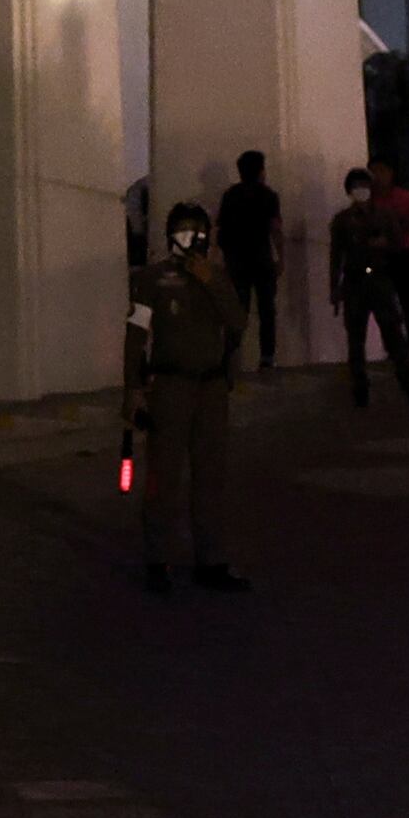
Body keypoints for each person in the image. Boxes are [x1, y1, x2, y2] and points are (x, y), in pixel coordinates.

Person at [124, 200, 251, 594]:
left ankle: (210, 561)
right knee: (164, 475)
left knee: (211, 477)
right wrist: (132, 388)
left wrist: (210, 280)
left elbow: (237, 322)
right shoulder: (152, 278)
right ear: (169, 235)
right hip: (170, 386)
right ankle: (157, 560)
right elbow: (136, 337)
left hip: (211, 387)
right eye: (183, 230)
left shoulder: (217, 277)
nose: (191, 238)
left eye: (198, 231)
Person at [339, 163, 409, 407]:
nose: (360, 191)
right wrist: (335, 287)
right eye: (356, 187)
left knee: (394, 335)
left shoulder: (384, 214)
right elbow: (336, 256)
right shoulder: (342, 221)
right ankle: (360, 391)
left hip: (380, 278)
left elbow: (398, 242)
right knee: (356, 341)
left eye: (363, 186)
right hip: (355, 281)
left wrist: (384, 244)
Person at [215, 150, 285, 371]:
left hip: (237, 261)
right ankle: (267, 358)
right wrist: (280, 258)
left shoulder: (230, 195)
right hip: (262, 259)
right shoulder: (268, 196)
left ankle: (228, 356)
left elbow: (221, 231)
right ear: (261, 170)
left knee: (238, 311)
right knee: (266, 311)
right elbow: (275, 229)